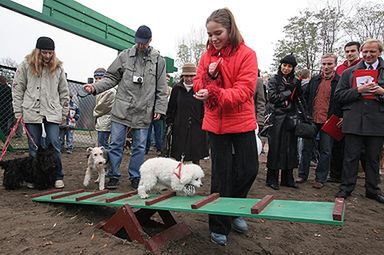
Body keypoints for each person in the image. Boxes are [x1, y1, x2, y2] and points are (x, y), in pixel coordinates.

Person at [194, 8, 258, 246]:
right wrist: (204, 86)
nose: (213, 39)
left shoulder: (247, 54)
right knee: (221, 176)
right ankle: (219, 224)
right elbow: (198, 80)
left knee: (249, 169)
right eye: (210, 34)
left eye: (218, 33)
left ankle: (233, 209)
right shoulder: (206, 56)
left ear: (230, 29)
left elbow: (245, 90)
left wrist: (214, 92)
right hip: (215, 124)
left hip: (241, 121)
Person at [83, 25, 168, 190]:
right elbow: (111, 77)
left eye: (144, 43)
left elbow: (162, 88)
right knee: (115, 144)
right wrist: (95, 88)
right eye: (138, 42)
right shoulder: (124, 56)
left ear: (150, 41)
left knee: (140, 146)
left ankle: (135, 176)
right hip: (122, 108)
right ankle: (113, 175)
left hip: (144, 109)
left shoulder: (159, 61)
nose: (140, 45)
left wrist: (159, 109)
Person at [12, 36, 69, 189]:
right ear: (37, 51)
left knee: (54, 143)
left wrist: (64, 113)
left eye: (51, 53)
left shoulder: (58, 68)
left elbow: (64, 92)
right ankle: (35, 177)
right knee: (34, 145)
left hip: (52, 111)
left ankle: (58, 176)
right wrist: (18, 113)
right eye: (44, 52)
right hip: (31, 110)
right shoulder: (25, 65)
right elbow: (18, 89)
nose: (48, 56)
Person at [335, 39, 384, 203]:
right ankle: (346, 188)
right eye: (366, 52)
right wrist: (358, 90)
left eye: (372, 52)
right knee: (350, 157)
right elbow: (339, 96)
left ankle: (372, 190)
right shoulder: (349, 73)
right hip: (354, 121)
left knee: (372, 158)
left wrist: (381, 91)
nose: (368, 55)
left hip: (377, 122)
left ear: (379, 52)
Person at [296, 53, 340, 189]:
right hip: (312, 120)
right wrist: (306, 114)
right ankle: (302, 175)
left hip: (329, 120)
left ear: (335, 65)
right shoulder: (314, 80)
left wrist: (337, 116)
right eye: (324, 64)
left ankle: (320, 178)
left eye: (329, 64)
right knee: (306, 149)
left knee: (326, 150)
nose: (326, 67)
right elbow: (305, 97)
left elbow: (341, 101)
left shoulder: (340, 81)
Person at [266, 54, 301, 190]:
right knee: (275, 148)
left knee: (290, 148)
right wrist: (288, 92)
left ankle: (288, 178)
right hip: (277, 118)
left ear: (293, 68)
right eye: (284, 65)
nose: (286, 68)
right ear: (280, 65)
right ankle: (272, 179)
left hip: (290, 118)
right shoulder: (274, 79)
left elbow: (298, 99)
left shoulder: (295, 81)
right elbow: (272, 97)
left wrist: (297, 90)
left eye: (289, 66)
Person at [329, 41, 362, 183]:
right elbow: (338, 94)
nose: (350, 54)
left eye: (352, 51)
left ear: (358, 52)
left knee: (359, 150)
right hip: (340, 111)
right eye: (347, 51)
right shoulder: (341, 69)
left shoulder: (362, 68)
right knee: (338, 146)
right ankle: (336, 175)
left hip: (356, 113)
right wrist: (339, 115)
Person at [166, 63, 209, 164]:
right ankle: (179, 176)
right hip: (180, 126)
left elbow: (205, 108)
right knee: (179, 155)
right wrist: (170, 122)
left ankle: (196, 177)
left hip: (197, 127)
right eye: (186, 76)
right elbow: (172, 107)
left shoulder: (201, 88)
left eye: (191, 76)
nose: (189, 78)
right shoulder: (177, 88)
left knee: (195, 155)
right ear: (182, 76)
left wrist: (203, 121)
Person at [92, 67, 117, 149]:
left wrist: (95, 113)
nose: (97, 80)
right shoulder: (101, 90)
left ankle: (105, 159)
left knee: (103, 143)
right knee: (102, 142)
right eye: (96, 78)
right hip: (103, 119)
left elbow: (103, 106)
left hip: (106, 119)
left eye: (100, 78)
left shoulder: (109, 90)